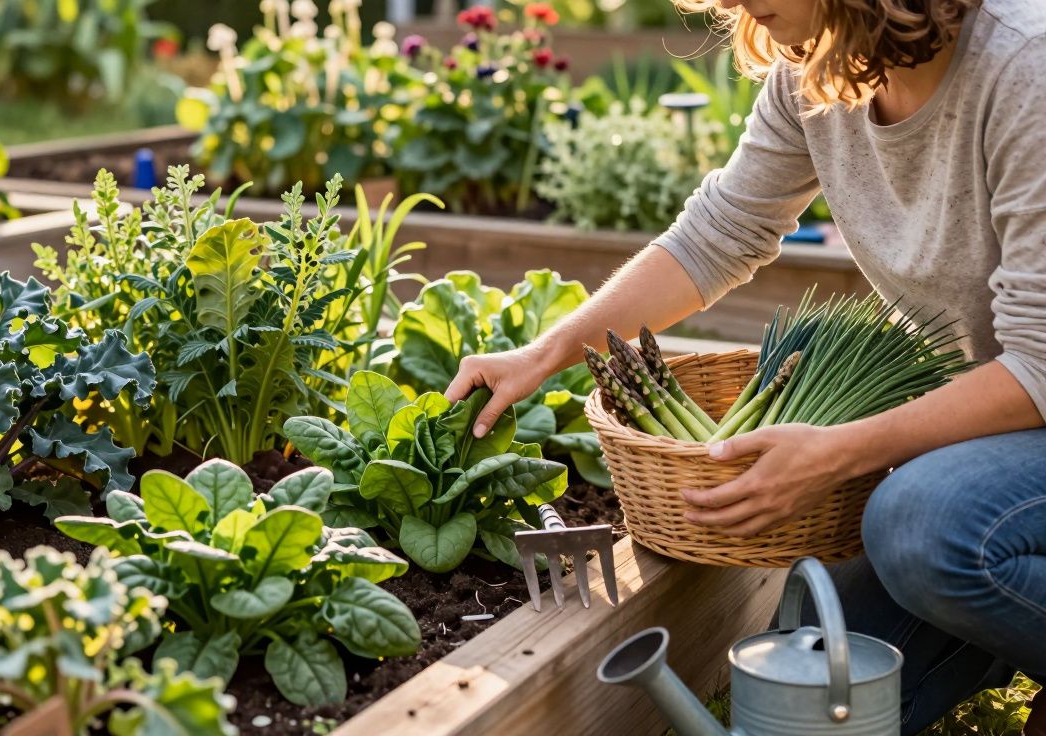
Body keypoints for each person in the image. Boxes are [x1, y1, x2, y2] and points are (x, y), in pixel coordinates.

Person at [444, 0, 1046, 732]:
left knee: (920, 523)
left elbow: (1039, 364)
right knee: (814, 679)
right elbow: (720, 233)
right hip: (998, 425)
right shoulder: (821, 65)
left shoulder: (1024, 65)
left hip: (1028, 403)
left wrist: (837, 453)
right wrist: (545, 352)